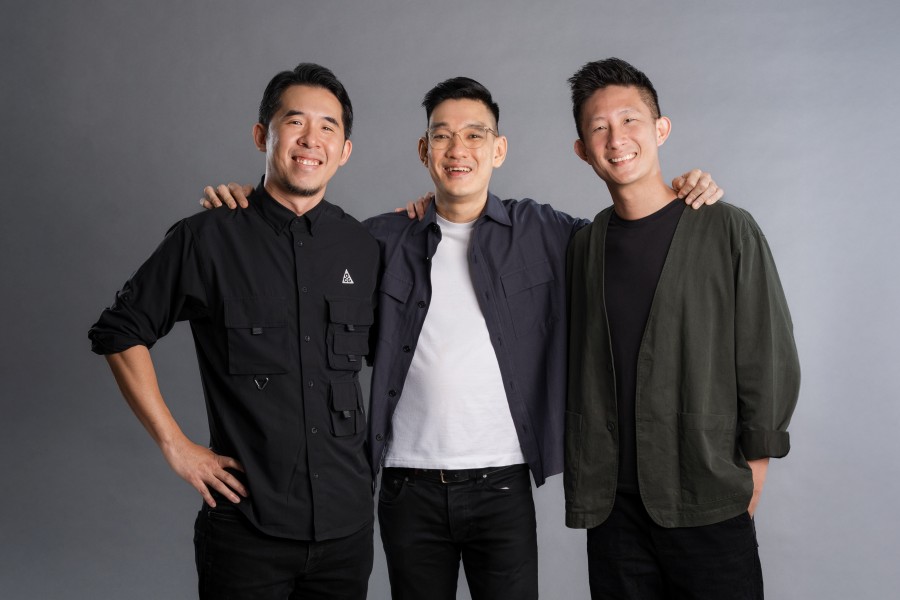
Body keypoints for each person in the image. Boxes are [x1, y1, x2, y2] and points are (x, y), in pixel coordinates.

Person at [203, 75, 722, 599]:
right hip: (407, 486)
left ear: (498, 149)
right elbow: (301, 248)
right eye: (442, 136)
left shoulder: (545, 231)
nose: (458, 150)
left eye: (475, 135)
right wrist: (249, 208)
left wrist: (680, 194)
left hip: (503, 484)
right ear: (424, 150)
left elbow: (628, 234)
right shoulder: (380, 238)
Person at [88, 63, 380, 599]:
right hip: (247, 532)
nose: (310, 139)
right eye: (295, 122)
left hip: (348, 531)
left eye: (328, 127)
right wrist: (175, 445)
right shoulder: (208, 239)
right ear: (262, 135)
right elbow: (119, 332)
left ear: (344, 150)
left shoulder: (364, 248)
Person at [564, 57, 801, 599]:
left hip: (706, 494)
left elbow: (766, 352)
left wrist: (755, 469)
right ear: (582, 149)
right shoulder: (582, 246)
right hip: (612, 511)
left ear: (661, 129)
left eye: (630, 120)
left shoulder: (727, 228)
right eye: (599, 127)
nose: (616, 139)